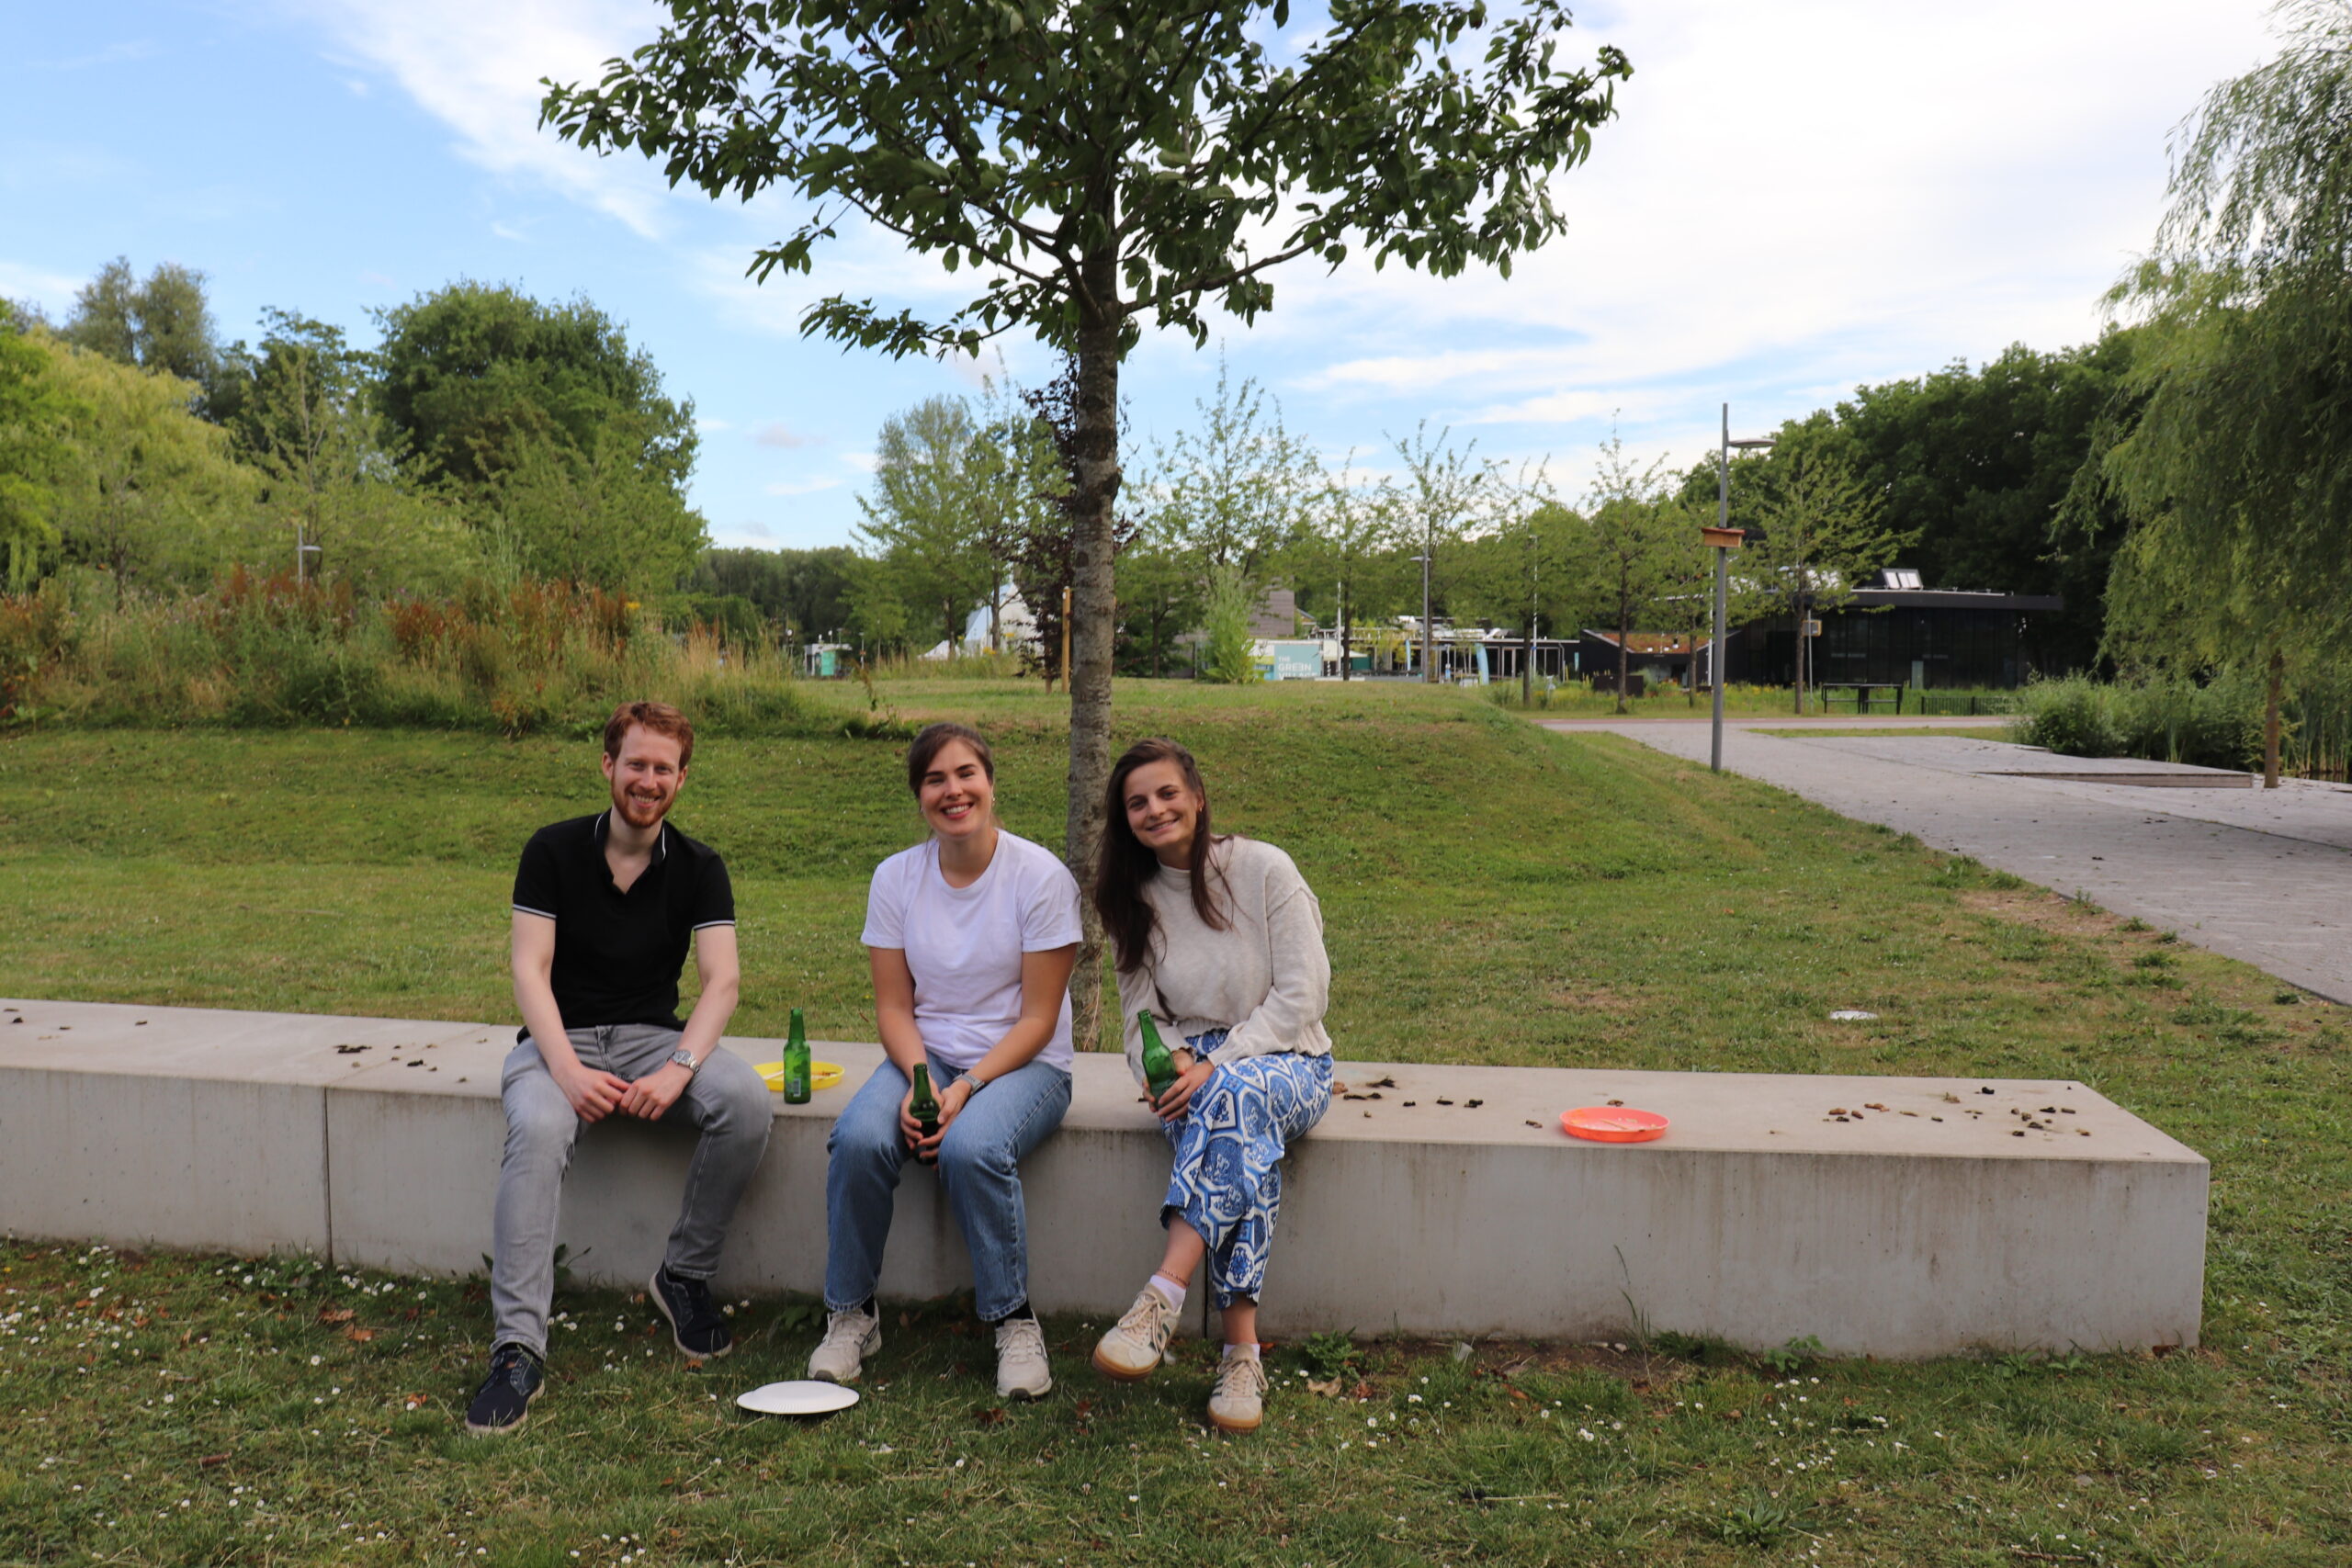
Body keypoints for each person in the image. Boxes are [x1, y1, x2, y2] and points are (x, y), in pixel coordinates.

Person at [465, 701, 772, 1437]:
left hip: (650, 1041)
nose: (648, 779)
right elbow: (530, 970)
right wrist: (567, 1070)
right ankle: (517, 1349)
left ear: (681, 779)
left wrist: (679, 1068)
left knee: (744, 1101)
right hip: (556, 1041)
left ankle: (683, 1275)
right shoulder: (551, 850)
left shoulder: (700, 866)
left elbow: (722, 982)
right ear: (609, 765)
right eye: (636, 763)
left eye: (664, 767)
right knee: (540, 1129)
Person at [808, 722, 1080, 1400]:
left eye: (966, 774)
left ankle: (1014, 1321)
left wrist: (965, 1089)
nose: (953, 791)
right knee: (860, 1138)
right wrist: (921, 1080)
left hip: (1025, 1061)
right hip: (926, 1055)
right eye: (935, 779)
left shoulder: (1040, 876)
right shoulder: (896, 877)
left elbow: (1039, 1019)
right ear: (919, 795)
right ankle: (852, 1314)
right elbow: (894, 1007)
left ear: (990, 782)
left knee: (972, 1148)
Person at [1087, 737, 1334, 1434]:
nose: (1155, 809)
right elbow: (1140, 1019)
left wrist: (1219, 1063)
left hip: (1291, 1060)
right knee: (1238, 1134)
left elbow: (1304, 994)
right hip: (1190, 1073)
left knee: (1236, 1096)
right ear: (1125, 818)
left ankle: (1162, 1295)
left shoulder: (1263, 869)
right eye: (1137, 802)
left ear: (1197, 797)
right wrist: (1163, 1067)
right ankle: (1240, 1355)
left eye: (1167, 793)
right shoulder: (1130, 898)